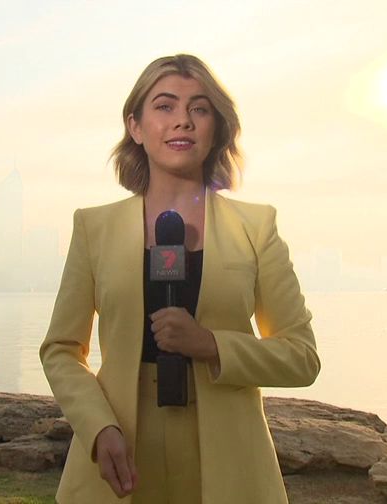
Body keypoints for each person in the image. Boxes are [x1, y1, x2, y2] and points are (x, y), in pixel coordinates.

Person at [39, 54, 321, 504]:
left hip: (229, 464)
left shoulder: (256, 228)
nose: (183, 121)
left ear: (217, 128)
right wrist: (98, 426)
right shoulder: (94, 228)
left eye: (199, 109)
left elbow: (302, 357)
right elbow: (61, 350)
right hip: (121, 455)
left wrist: (211, 345)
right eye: (165, 106)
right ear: (135, 126)